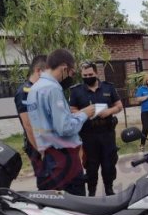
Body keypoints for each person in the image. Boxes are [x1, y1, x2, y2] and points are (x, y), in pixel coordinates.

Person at [25, 48, 95, 196]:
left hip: (48, 158)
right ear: (64, 68)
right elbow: (64, 128)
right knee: (77, 210)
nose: (70, 76)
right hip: (65, 160)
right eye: (72, 72)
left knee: (56, 211)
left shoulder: (34, 89)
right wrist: (84, 114)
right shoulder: (53, 89)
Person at [69, 62, 123, 196]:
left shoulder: (108, 88)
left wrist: (109, 111)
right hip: (88, 135)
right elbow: (72, 110)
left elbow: (119, 106)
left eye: (90, 74)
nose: (88, 77)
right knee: (91, 166)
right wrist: (84, 113)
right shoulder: (76, 91)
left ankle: (109, 189)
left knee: (108, 164)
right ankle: (91, 192)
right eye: (85, 75)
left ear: (96, 73)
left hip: (107, 133)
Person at [14, 54, 47, 189]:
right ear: (38, 70)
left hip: (48, 140)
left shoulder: (42, 89)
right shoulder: (24, 92)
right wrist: (40, 150)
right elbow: (28, 125)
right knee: (45, 181)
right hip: (36, 144)